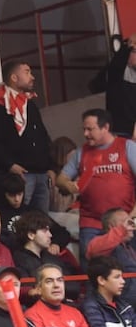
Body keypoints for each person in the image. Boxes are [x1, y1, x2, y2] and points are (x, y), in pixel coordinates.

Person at [56, 108, 136, 262]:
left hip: (123, 221)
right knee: (92, 269)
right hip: (91, 222)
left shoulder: (127, 147)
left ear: (105, 127)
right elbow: (61, 179)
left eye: (90, 129)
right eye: (84, 129)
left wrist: (133, 215)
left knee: (129, 267)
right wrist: (68, 184)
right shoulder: (82, 152)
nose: (85, 134)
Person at [0, 60, 55, 211]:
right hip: (21, 175)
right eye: (27, 72)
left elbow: (43, 136)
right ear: (14, 78)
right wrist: (10, 165)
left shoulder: (30, 104)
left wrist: (50, 166)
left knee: (43, 220)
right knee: (22, 218)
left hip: (42, 173)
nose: (32, 77)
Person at [25, 264, 93, 327]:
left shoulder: (75, 312)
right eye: (49, 281)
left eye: (60, 280)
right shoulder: (32, 315)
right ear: (38, 289)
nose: (56, 285)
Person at [86, 207, 136, 304]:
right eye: (125, 221)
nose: (130, 224)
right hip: (119, 302)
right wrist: (122, 230)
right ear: (111, 226)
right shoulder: (100, 241)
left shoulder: (130, 247)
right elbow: (94, 250)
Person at [106, 33, 136, 137]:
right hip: (121, 133)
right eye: (135, 52)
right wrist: (129, 45)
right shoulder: (117, 72)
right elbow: (116, 63)